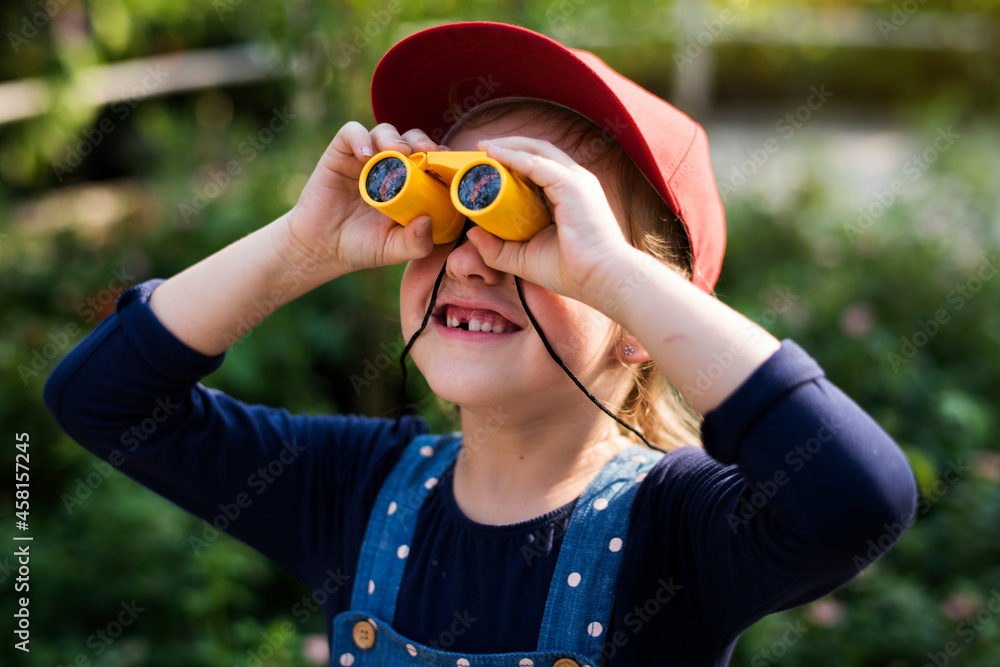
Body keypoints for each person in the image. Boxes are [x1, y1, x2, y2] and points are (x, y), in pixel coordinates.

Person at [45, 21, 917, 666]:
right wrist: (299, 247)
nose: (474, 259)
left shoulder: (680, 532)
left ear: (646, 324)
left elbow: (858, 496)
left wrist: (613, 274)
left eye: (539, 229)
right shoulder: (352, 490)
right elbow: (102, 397)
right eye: (449, 210)